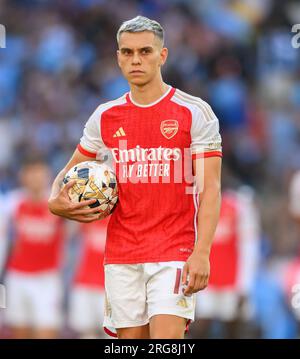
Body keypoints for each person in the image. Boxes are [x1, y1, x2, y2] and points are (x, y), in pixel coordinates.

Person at [48, 15, 222, 339]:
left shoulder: (194, 112)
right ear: (118, 57)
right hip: (122, 251)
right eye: (127, 53)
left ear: (162, 55)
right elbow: (68, 174)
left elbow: (210, 188)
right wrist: (54, 201)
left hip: (175, 249)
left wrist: (202, 251)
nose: (136, 60)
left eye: (145, 51)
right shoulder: (105, 116)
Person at [2, 156, 65, 339]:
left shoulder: (58, 203)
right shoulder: (12, 203)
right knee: (19, 333)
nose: (36, 178)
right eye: (31, 173)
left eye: (40, 172)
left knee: (46, 333)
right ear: (23, 176)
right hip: (17, 277)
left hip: (47, 279)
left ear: (48, 175)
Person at [193, 186, 260, 338]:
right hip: (205, 279)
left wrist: (244, 286)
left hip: (231, 281)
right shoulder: (198, 200)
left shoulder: (240, 204)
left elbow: (249, 247)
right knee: (201, 326)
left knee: (232, 327)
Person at [68, 218, 109, 339]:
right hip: (84, 283)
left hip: (110, 287)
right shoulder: (89, 216)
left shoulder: (120, 219)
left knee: (111, 333)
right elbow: (68, 232)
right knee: (86, 332)